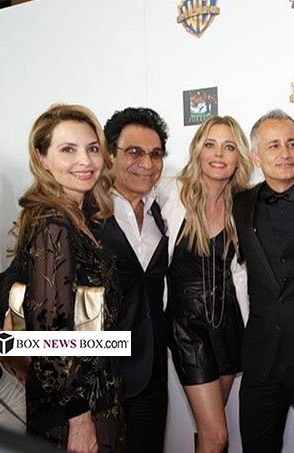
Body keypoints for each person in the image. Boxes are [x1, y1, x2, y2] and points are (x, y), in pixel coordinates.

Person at [10, 104, 123, 451]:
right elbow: (50, 334)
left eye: (92, 148)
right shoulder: (53, 224)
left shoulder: (78, 217)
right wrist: (79, 419)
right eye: (68, 150)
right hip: (75, 411)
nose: (85, 161)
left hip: (97, 395)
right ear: (42, 158)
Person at [233, 109, 294, 452]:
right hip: (260, 359)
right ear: (255, 156)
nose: (285, 153)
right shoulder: (238, 204)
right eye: (273, 145)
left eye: (292, 143)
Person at [160, 115, 253, 452]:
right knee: (216, 435)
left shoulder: (243, 204)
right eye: (210, 144)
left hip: (228, 326)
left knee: (211, 431)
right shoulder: (170, 192)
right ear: (198, 149)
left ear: (239, 156)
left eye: (229, 147)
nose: (218, 154)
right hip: (187, 329)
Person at [102, 107, 170, 452]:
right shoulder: (84, 210)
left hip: (152, 371)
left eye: (155, 154)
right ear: (109, 155)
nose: (147, 163)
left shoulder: (163, 210)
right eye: (134, 152)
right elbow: (17, 275)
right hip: (100, 375)